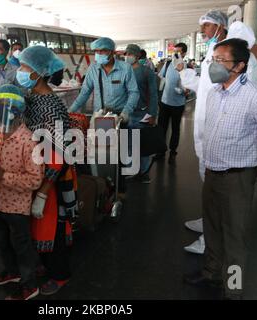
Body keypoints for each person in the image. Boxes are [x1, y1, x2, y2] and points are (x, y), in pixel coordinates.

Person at [184, 38, 257, 300]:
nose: (214, 66)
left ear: (239, 66)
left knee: (234, 237)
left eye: (221, 61)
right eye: (213, 60)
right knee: (212, 228)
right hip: (213, 173)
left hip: (238, 178)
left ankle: (233, 289)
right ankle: (211, 273)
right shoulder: (215, 92)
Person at [17, 45, 78, 296]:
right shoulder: (30, 98)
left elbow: (62, 153)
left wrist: (44, 190)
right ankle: (45, 264)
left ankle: (60, 274)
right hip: (36, 171)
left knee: (53, 225)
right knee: (38, 224)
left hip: (52, 175)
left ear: (37, 72)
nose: (19, 71)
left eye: (23, 67)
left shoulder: (51, 106)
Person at [0, 84, 44, 301]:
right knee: (1, 241)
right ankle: (12, 271)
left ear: (15, 110)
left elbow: (35, 179)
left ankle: (29, 284)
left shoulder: (30, 141)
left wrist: (1, 176)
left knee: (22, 247)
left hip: (18, 206)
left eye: (3, 105)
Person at [69, 37, 139, 196]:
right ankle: (102, 187)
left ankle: (120, 191)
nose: (99, 54)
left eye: (103, 51)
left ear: (112, 52)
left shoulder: (125, 69)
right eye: (97, 51)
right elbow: (84, 93)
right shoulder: (94, 69)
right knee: (99, 155)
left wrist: (126, 112)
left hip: (119, 118)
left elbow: (134, 92)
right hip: (99, 119)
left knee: (118, 156)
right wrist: (71, 111)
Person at [184, 10, 228, 255]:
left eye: (207, 25)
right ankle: (206, 222)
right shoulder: (214, 51)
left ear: (220, 26)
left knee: (216, 185)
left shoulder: (227, 53)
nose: (203, 30)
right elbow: (205, 84)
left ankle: (211, 239)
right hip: (204, 121)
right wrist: (185, 75)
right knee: (206, 179)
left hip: (215, 124)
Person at [124, 44, 158, 183]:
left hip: (142, 114)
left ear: (137, 56)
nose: (126, 56)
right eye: (125, 54)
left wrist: (152, 114)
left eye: (129, 54)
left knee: (142, 145)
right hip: (126, 114)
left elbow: (153, 94)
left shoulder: (146, 72)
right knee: (128, 144)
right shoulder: (122, 71)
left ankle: (143, 172)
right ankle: (130, 170)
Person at [158, 43, 188, 165]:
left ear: (184, 54)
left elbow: (188, 88)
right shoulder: (169, 63)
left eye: (178, 52)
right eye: (174, 52)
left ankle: (172, 152)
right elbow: (162, 76)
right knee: (162, 128)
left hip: (178, 104)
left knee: (175, 129)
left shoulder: (187, 68)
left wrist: (182, 90)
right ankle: (160, 151)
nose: (175, 55)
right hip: (165, 102)